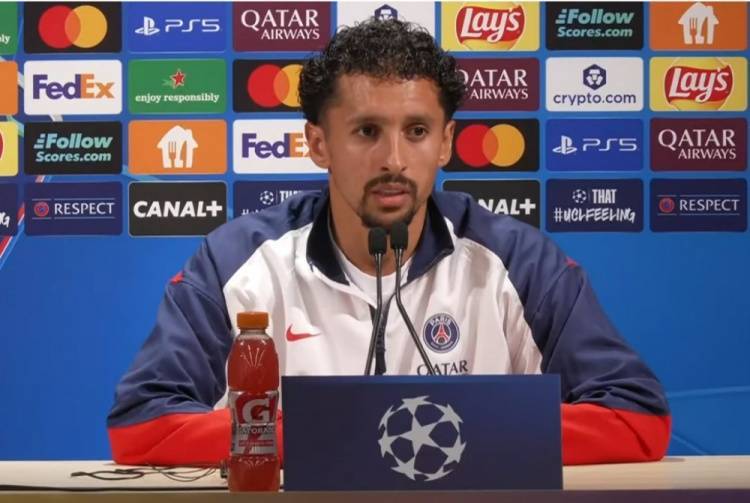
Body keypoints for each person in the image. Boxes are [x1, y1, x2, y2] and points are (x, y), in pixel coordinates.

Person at [108, 19, 670, 466]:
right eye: (367, 131)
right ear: (318, 144)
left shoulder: (517, 261)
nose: (394, 160)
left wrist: (431, 430)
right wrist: (353, 433)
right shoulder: (238, 261)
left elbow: (637, 419)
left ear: (446, 142)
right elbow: (143, 426)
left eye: (417, 131)